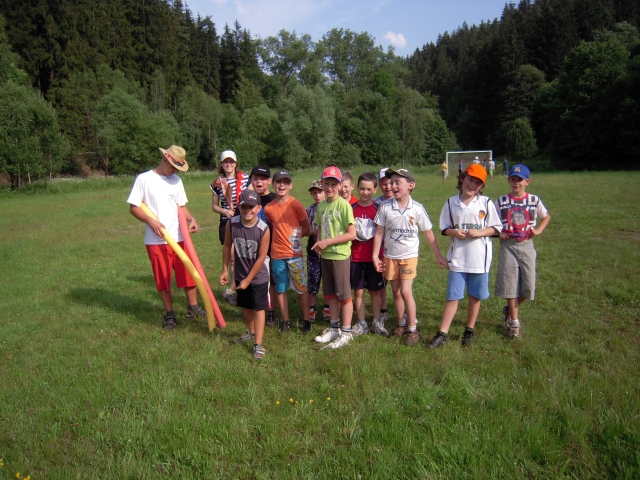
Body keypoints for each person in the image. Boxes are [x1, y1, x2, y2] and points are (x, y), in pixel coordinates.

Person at [127, 145, 207, 330]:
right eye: (174, 167)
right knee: (163, 279)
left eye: (178, 168)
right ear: (165, 160)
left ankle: (193, 307)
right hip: (156, 241)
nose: (175, 171)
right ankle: (170, 314)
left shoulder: (176, 181)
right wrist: (150, 221)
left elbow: (181, 206)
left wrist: (191, 219)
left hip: (180, 237)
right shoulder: (144, 179)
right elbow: (134, 207)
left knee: (188, 273)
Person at [428, 164, 502, 349]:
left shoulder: (485, 203)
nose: (472, 185)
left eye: (478, 183)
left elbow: (496, 228)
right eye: (470, 179)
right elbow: (444, 228)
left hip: (480, 260)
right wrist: (454, 232)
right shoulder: (451, 203)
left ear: (481, 186)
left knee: (475, 296)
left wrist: (481, 232)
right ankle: (442, 333)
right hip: (458, 259)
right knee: (453, 297)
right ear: (462, 179)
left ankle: (469, 330)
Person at [372, 168, 448, 346]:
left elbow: (428, 232)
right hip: (390, 256)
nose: (393, 186)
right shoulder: (385, 207)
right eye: (392, 182)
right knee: (396, 292)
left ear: (410, 185)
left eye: (398, 182)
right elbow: (379, 233)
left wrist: (438, 255)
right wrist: (375, 256)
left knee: (406, 291)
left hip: (409, 256)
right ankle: (401, 324)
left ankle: (412, 329)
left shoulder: (417, 208)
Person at [494, 164, 551, 338]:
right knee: (510, 285)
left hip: (527, 246)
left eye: (520, 180)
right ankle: (514, 323)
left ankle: (509, 310)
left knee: (528, 287)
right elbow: (491, 220)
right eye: (513, 179)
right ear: (509, 180)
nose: (516, 183)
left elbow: (546, 216)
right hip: (508, 247)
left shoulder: (534, 200)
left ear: (527, 181)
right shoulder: (502, 201)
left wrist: (538, 230)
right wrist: (499, 233)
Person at [220, 190, 271, 359]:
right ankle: (251, 332)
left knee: (258, 308)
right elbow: (227, 245)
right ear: (239, 208)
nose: (247, 210)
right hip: (240, 275)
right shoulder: (232, 224)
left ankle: (258, 344)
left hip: (258, 277)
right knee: (246, 306)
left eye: (251, 207)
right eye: (244, 207)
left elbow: (261, 257)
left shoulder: (263, 229)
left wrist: (248, 280)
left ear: (259, 208)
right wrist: (224, 269)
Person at [312, 166, 357, 349]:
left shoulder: (344, 205)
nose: (329, 187)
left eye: (333, 184)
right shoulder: (322, 206)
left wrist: (327, 242)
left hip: (340, 256)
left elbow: (352, 234)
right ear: (322, 184)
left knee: (344, 296)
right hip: (326, 256)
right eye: (326, 183)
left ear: (339, 185)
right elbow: (319, 227)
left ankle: (346, 333)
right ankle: (334, 328)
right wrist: (318, 242)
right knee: (330, 294)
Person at [263, 170, 312, 333]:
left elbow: (306, 227)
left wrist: (296, 238)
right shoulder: (269, 208)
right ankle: (286, 321)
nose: (281, 185)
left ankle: (306, 320)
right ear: (273, 184)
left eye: (285, 182)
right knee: (280, 289)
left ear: (290, 185)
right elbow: (272, 227)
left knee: (301, 288)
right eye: (278, 182)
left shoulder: (296, 204)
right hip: (277, 255)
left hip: (294, 255)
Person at [237, 166, 278, 327]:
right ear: (251, 180)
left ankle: (271, 312)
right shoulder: (245, 200)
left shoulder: (274, 198)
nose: (259, 181)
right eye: (255, 178)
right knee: (254, 283)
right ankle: (254, 312)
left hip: (272, 249)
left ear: (269, 181)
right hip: (249, 251)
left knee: (271, 282)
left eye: (263, 178)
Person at [210, 150, 249, 305]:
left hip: (243, 219)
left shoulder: (245, 178)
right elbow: (214, 206)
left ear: (235, 163)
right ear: (221, 164)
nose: (228, 164)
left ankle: (235, 288)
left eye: (231, 161)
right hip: (227, 222)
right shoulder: (217, 182)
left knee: (242, 256)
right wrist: (224, 211)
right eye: (225, 162)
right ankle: (234, 291)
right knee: (232, 257)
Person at [350, 173, 385, 336]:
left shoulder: (379, 209)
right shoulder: (351, 209)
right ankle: (361, 322)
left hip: (374, 259)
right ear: (357, 188)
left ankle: (377, 321)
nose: (365, 192)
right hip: (356, 258)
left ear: (375, 190)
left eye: (369, 189)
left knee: (374, 291)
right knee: (358, 292)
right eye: (362, 189)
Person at [373, 168, 393, 331]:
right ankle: (383, 308)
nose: (388, 187)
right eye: (384, 184)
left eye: (391, 183)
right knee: (382, 280)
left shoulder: (401, 201)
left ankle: (404, 312)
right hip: (380, 248)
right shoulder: (375, 203)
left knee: (398, 283)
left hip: (396, 248)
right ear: (379, 185)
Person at [306, 179, 328, 325]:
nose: (317, 195)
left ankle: (328, 307)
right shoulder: (309, 210)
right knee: (313, 278)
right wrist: (312, 231)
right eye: (314, 192)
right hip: (313, 251)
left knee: (328, 279)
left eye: (320, 192)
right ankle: (311, 308)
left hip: (329, 250)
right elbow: (305, 229)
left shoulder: (330, 207)